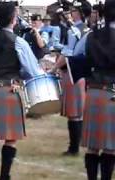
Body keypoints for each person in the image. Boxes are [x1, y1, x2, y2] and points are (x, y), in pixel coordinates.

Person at [0, 2, 45, 179]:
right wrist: (19, 76)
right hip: (9, 92)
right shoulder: (19, 42)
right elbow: (33, 71)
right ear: (13, 19)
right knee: (10, 138)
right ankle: (4, 176)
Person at [61, 0, 115, 179]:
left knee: (93, 146)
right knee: (110, 146)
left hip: (94, 92)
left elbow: (75, 55)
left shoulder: (90, 36)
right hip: (113, 93)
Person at [51, 0, 92, 156]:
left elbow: (67, 54)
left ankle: (73, 148)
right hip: (84, 73)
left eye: (74, 10)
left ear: (80, 13)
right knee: (79, 111)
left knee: (73, 111)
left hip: (71, 71)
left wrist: (54, 68)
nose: (71, 13)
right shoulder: (90, 30)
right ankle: (79, 144)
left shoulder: (73, 30)